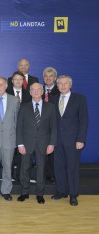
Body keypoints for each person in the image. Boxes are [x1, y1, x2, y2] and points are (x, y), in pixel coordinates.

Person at [16, 83, 56, 204]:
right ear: (30, 92)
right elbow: (19, 127)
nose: (36, 91)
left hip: (44, 144)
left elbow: (53, 128)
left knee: (41, 169)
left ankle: (40, 193)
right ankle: (24, 192)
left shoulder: (51, 107)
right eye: (33, 89)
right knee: (24, 169)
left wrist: (52, 144)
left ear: (43, 91)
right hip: (26, 144)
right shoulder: (23, 107)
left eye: (38, 89)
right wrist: (20, 144)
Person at [52, 75, 88, 206]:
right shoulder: (53, 99)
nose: (62, 86)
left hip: (73, 141)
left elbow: (84, 120)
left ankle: (73, 194)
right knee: (59, 167)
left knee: (72, 168)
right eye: (60, 83)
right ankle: (62, 191)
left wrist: (81, 139)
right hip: (57, 140)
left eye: (65, 83)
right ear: (57, 86)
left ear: (70, 85)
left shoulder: (79, 99)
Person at [0, 77, 20, 201]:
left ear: (6, 86)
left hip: (9, 140)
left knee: (7, 167)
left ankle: (6, 191)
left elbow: (17, 122)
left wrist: (17, 140)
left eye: (1, 84)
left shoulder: (15, 100)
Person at [42, 67, 60, 183]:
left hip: (54, 126)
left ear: (55, 78)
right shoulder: (37, 90)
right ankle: (42, 173)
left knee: (53, 152)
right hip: (40, 126)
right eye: (46, 76)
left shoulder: (60, 92)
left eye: (51, 76)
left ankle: (52, 174)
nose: (48, 78)